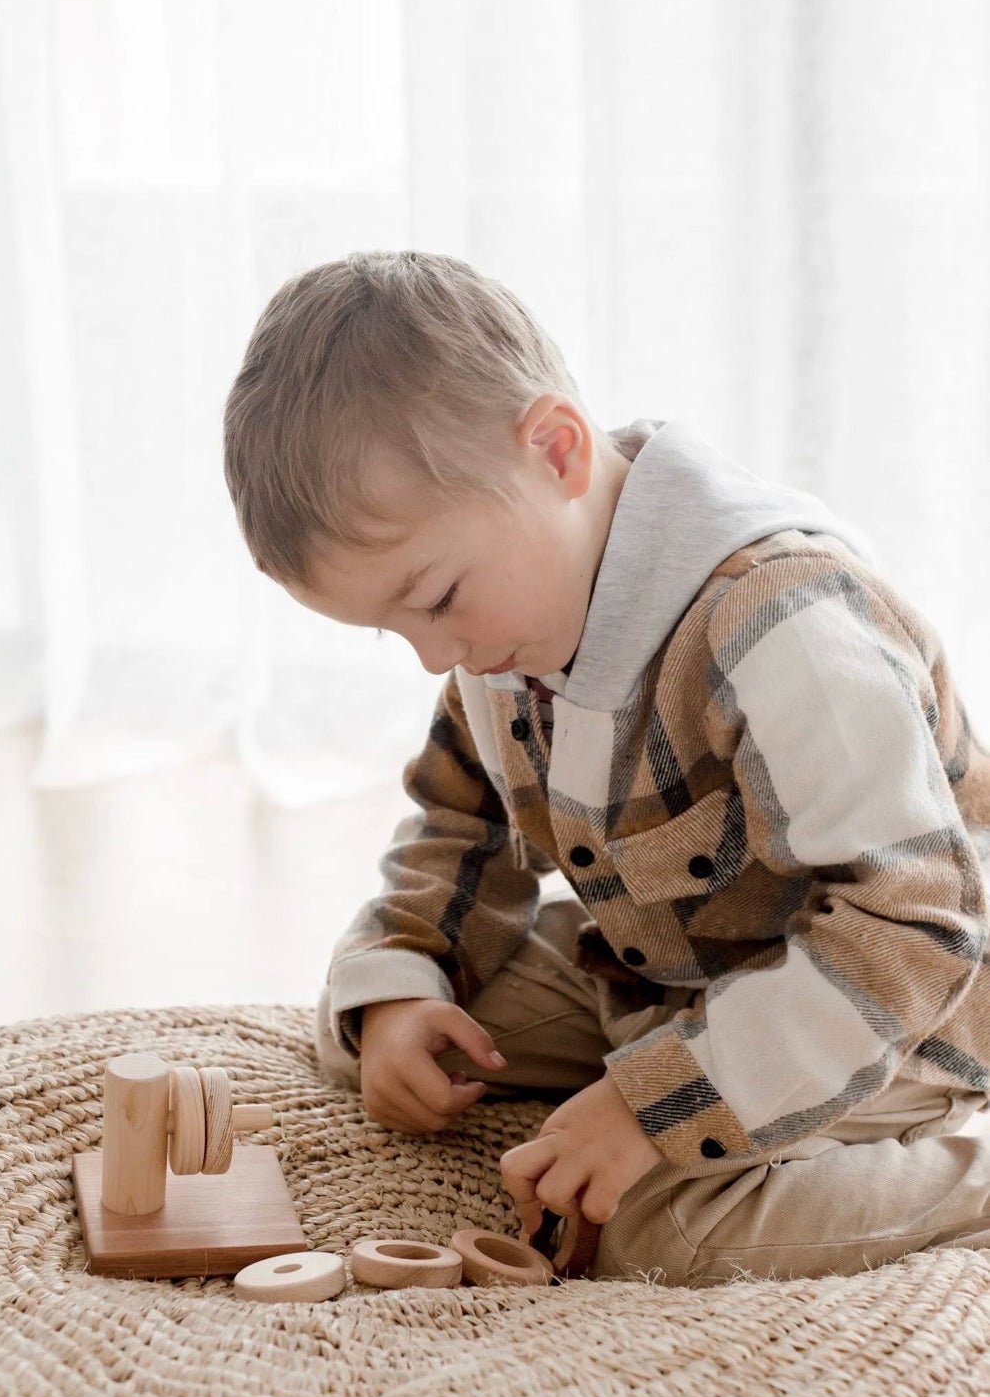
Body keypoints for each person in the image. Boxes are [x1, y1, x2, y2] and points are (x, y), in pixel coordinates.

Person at [221, 248, 990, 1287]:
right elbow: (459, 825)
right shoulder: (513, 619)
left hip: (893, 1009)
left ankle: (963, 1173)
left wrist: (647, 1104)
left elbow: (913, 926)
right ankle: (651, 1062)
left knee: (663, 1232)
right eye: (388, 630)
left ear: (556, 450)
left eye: (436, 597)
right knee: (396, 1038)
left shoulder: (782, 623)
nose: (435, 656)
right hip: (667, 968)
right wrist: (402, 988)